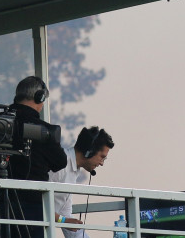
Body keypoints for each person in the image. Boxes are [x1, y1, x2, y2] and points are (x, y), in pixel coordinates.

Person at [7, 75, 68, 238]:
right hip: (33, 203)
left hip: (4, 202)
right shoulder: (43, 131)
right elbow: (60, 161)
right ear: (39, 97)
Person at [47, 126, 115, 238]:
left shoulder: (73, 171)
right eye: (102, 157)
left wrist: (66, 221)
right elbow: (35, 200)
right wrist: (62, 220)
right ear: (90, 151)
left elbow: (65, 213)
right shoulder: (60, 163)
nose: (102, 163)